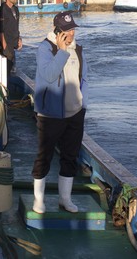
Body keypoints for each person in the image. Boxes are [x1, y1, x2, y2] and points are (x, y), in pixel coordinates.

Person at [31, 11, 88, 213]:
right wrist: (62, 51)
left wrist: (84, 103)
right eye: (66, 30)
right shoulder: (45, 49)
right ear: (56, 31)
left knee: (70, 156)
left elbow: (83, 77)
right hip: (51, 114)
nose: (70, 34)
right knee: (44, 157)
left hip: (75, 112)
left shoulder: (78, 49)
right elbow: (49, 75)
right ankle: (39, 200)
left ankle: (65, 199)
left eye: (72, 29)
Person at [0, 0, 22, 73]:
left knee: (12, 68)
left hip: (13, 44)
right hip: (6, 45)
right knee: (7, 70)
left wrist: (19, 39)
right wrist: (5, 47)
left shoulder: (15, 9)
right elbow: (1, 30)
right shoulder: (2, 9)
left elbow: (16, 26)